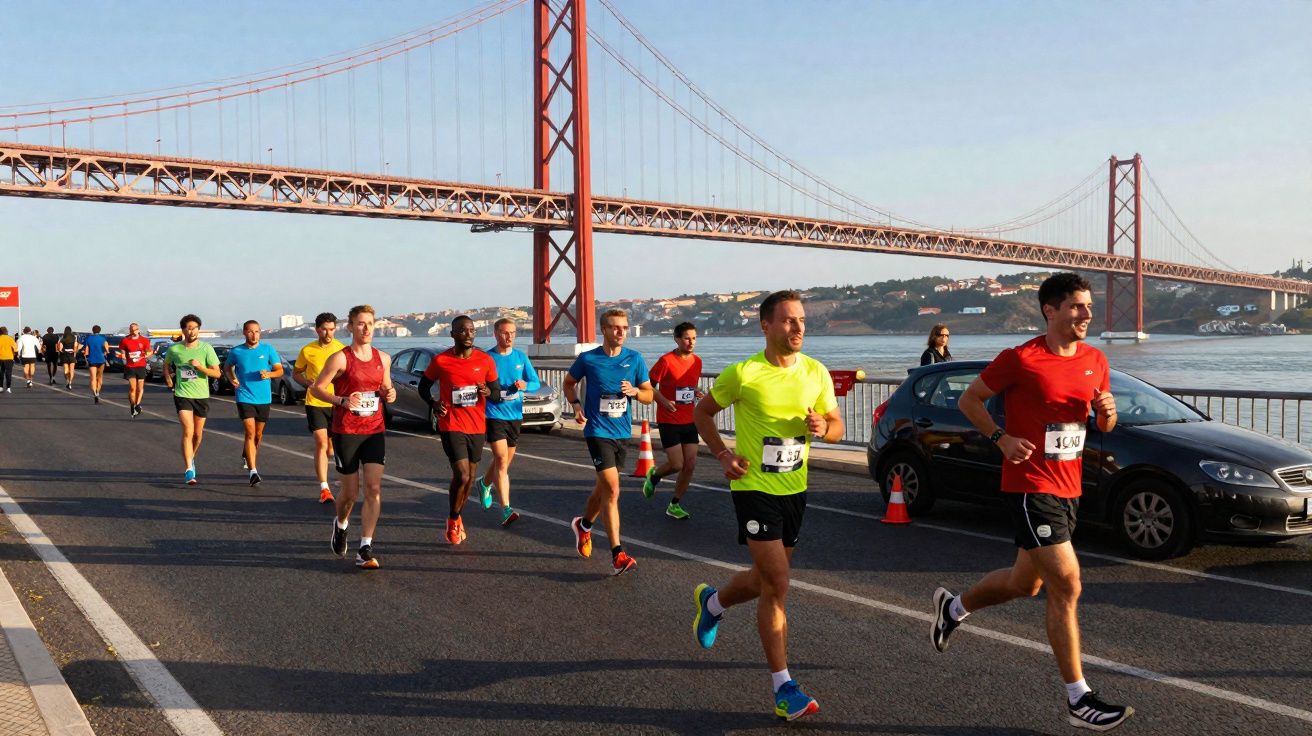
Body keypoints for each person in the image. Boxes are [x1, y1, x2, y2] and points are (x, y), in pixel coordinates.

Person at [929, 272, 1131, 731]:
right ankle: (1079, 699)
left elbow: (1102, 420)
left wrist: (1109, 415)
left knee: (1027, 584)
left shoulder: (1095, 359)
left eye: (1088, 306)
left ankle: (953, 608)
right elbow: (971, 400)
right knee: (1067, 584)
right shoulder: (1021, 358)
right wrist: (1000, 438)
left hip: (1069, 486)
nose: (1086, 314)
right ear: (1051, 311)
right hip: (1031, 485)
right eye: (1077, 306)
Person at [690, 289, 843, 721]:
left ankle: (713, 603)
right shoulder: (744, 373)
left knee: (762, 580)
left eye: (802, 321)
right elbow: (702, 413)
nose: (798, 328)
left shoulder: (816, 372)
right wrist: (722, 454)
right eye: (789, 320)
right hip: (753, 487)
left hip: (795, 488)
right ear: (766, 326)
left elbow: (836, 426)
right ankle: (783, 688)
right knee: (778, 582)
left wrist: (823, 426)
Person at [563, 308, 654, 575]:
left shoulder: (635, 359)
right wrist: (576, 407)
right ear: (603, 330)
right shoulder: (589, 359)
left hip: (622, 433)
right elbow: (569, 383)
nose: (621, 332)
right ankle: (618, 554)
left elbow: (649, 395)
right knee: (613, 490)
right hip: (597, 431)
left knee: (602, 490)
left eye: (625, 328)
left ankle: (584, 525)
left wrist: (636, 391)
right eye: (616, 327)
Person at [310, 304, 396, 570]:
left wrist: (390, 394)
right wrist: (341, 400)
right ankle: (341, 524)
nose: (366, 328)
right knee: (349, 494)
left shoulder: (383, 358)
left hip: (374, 430)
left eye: (370, 323)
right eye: (361, 323)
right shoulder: (340, 358)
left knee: (373, 489)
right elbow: (317, 388)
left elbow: (386, 387)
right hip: (346, 430)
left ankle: (365, 547)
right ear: (350, 327)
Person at [418, 315, 503, 545]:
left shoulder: (485, 360)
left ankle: (458, 514)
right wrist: (434, 404)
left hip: (476, 425)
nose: (468, 335)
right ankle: (453, 519)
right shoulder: (442, 361)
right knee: (462, 475)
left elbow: (496, 394)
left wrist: (488, 392)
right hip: (451, 424)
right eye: (463, 331)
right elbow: (423, 387)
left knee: (471, 477)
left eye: (472, 331)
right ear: (453, 334)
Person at [478, 318, 540, 528]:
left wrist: (525, 385)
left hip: (514, 415)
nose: (510, 336)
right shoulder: (487, 358)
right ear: (496, 334)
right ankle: (506, 508)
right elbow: (478, 382)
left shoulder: (521, 357)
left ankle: (485, 482)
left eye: (513, 332)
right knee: (501, 459)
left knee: (503, 462)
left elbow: (535, 382)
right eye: (505, 333)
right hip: (493, 414)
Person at [642, 321, 703, 519]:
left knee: (691, 463)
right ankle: (654, 475)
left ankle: (674, 504)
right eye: (686, 338)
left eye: (694, 338)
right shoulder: (666, 360)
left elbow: (688, 387)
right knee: (677, 464)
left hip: (689, 419)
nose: (691, 342)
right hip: (668, 419)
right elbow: (647, 385)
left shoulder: (697, 361)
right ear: (676, 339)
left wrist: (696, 393)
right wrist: (663, 400)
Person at [164, 314, 222, 485]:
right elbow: (166, 364)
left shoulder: (206, 349)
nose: (192, 331)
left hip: (202, 396)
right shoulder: (174, 349)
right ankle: (189, 468)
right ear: (183, 330)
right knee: (188, 430)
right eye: (188, 328)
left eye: (195, 327)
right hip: (182, 394)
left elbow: (217, 373)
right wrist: (168, 378)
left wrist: (200, 367)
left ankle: (191, 457)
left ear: (199, 329)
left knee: (198, 434)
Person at [224, 320, 284, 487]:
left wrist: (269, 374)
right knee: (250, 433)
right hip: (244, 396)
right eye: (250, 331)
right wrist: (232, 379)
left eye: (257, 331)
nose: (254, 335)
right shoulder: (237, 351)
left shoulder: (268, 349)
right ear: (244, 332)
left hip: (264, 398)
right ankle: (253, 471)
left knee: (258, 435)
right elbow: (227, 368)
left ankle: (246, 454)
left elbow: (280, 370)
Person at [294, 312, 345, 504]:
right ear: (317, 330)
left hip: (337, 402)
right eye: (324, 329)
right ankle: (324, 488)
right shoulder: (308, 350)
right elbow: (296, 373)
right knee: (321, 443)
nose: (328, 333)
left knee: (332, 448)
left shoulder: (342, 349)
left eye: (332, 329)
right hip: (315, 402)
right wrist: (307, 382)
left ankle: (339, 475)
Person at [117, 323, 152, 416]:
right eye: (132, 330)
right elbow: (123, 353)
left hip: (141, 366)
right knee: (133, 388)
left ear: (138, 330)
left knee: (140, 388)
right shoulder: (125, 340)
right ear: (129, 330)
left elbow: (149, 352)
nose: (133, 331)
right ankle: (132, 404)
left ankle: (138, 404)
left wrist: (144, 356)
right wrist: (123, 358)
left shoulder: (144, 340)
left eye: (135, 330)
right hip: (130, 367)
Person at [81, 325, 111, 402]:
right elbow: (107, 350)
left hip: (92, 360)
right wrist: (105, 352)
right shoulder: (103, 339)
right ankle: (98, 392)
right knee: (100, 377)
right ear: (100, 330)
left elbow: (86, 351)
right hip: (101, 360)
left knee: (93, 378)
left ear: (92, 330)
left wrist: (84, 352)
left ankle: (94, 393)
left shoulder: (88, 338)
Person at [0, 327, 15, 393]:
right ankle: (8, 388)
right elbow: (15, 349)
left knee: (1, 373)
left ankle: (1, 387)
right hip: (9, 358)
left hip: (0, 358)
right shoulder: (10, 338)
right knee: (8, 373)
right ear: (6, 331)